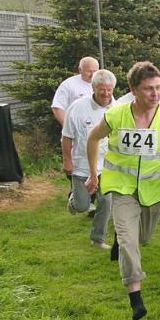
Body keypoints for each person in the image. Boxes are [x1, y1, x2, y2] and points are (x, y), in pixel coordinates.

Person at [85, 61, 160, 320]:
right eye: (148, 89)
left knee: (142, 238)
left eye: (158, 87)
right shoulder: (116, 116)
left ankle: (120, 239)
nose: (155, 93)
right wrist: (92, 173)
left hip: (155, 191)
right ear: (133, 90)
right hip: (122, 188)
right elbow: (92, 137)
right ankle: (135, 297)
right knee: (128, 241)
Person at [62, 69, 117, 249]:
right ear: (93, 88)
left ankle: (97, 239)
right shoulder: (77, 108)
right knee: (82, 206)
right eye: (102, 90)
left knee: (106, 202)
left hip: (106, 167)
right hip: (82, 166)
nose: (106, 93)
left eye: (109, 89)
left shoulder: (116, 109)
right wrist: (67, 160)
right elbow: (66, 136)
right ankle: (74, 201)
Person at [51, 56, 99, 126]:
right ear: (80, 70)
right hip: (76, 128)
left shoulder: (102, 84)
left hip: (98, 128)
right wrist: (67, 127)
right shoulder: (68, 84)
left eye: (95, 71)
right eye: (89, 71)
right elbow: (57, 107)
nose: (92, 75)